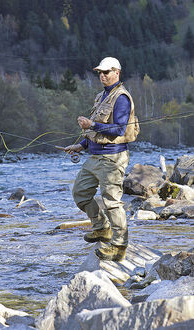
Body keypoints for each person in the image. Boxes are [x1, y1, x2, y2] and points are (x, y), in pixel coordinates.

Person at [64, 57, 139, 262]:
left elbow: (119, 130)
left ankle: (119, 246)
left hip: (113, 157)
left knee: (112, 203)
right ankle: (102, 229)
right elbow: (95, 133)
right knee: (80, 194)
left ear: (117, 72)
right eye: (100, 72)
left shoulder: (122, 98)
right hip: (94, 155)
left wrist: (91, 125)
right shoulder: (101, 96)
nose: (102, 76)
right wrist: (80, 145)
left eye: (107, 72)